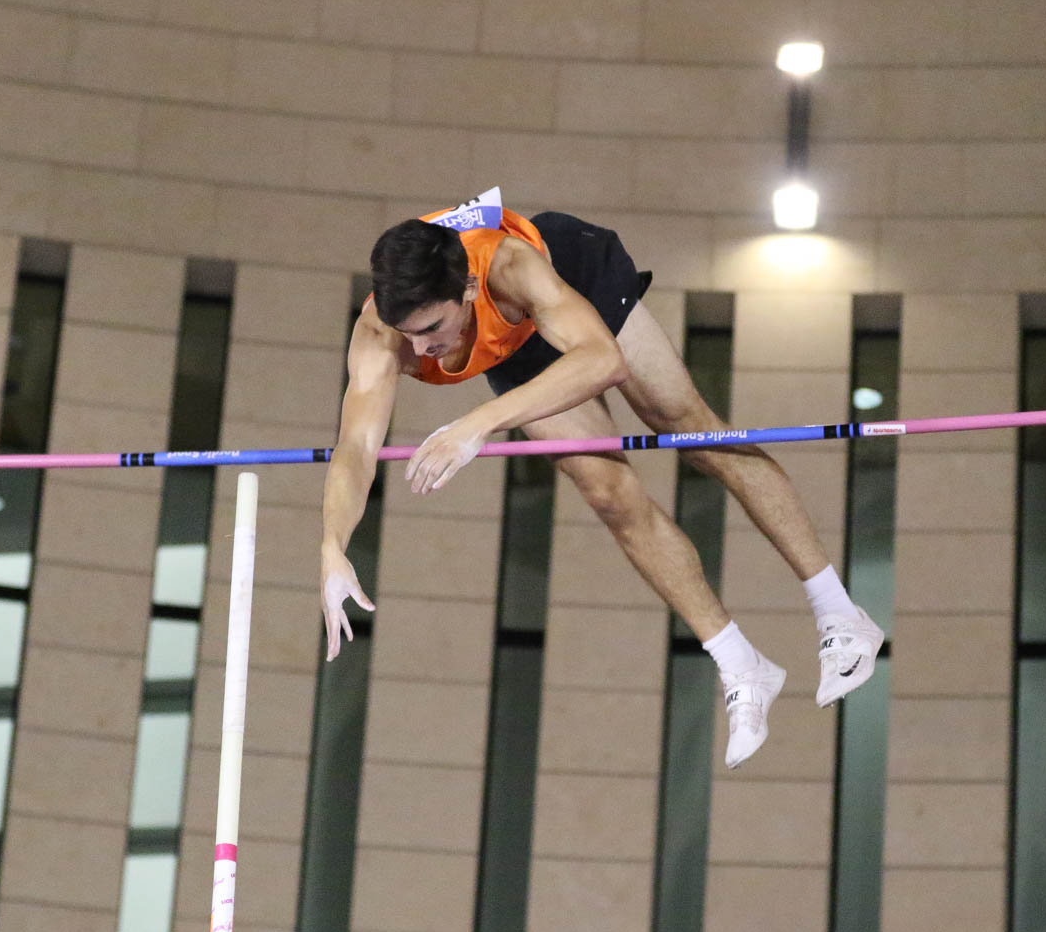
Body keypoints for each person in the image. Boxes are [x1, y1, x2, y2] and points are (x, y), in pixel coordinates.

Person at [319, 188, 883, 767]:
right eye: (409, 334)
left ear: (465, 288)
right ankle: (742, 664)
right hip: (512, 348)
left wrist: (479, 423)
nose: (420, 350)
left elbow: (603, 359)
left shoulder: (508, 267)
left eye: (432, 328)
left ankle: (841, 615)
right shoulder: (381, 332)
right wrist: (333, 546)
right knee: (609, 495)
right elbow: (356, 448)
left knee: (690, 430)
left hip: (572, 281)